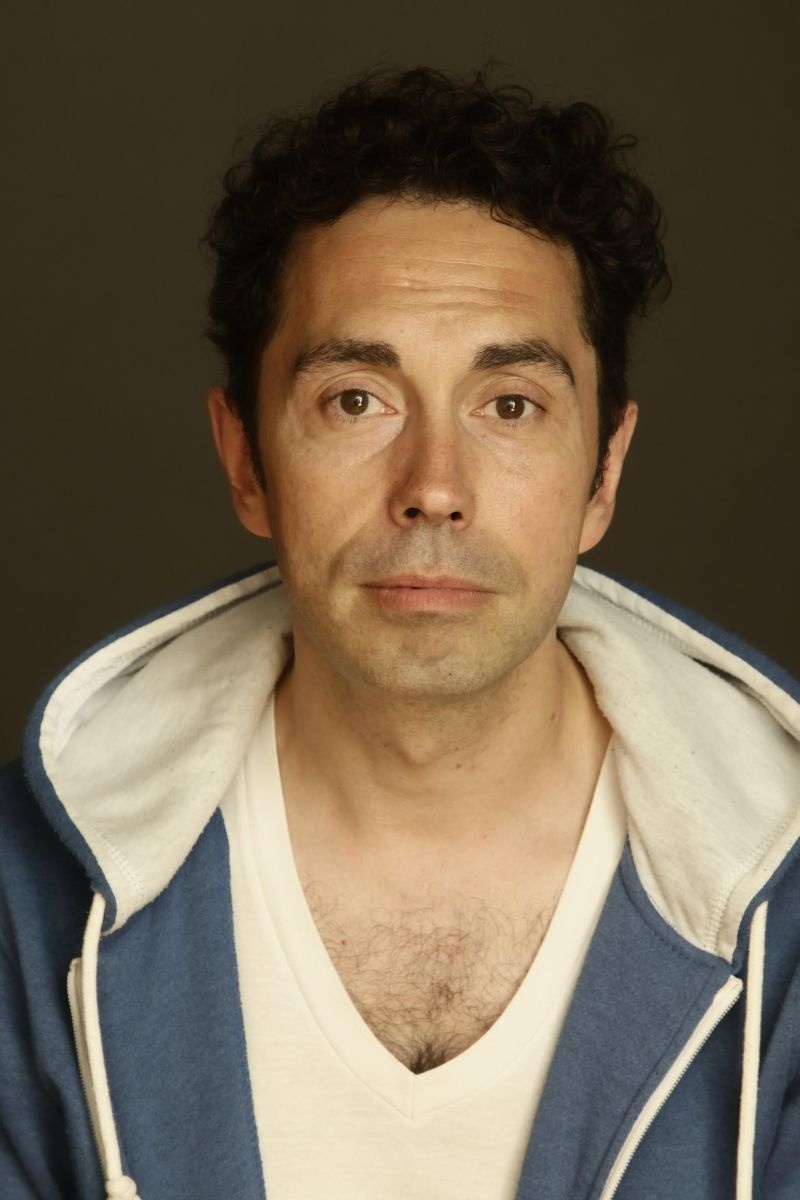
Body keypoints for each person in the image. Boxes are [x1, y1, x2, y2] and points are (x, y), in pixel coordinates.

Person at [1, 66, 798, 1200]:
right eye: (355, 401)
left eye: (510, 405)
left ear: (604, 472)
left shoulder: (784, 901)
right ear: (244, 461)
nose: (434, 487)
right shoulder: (26, 904)